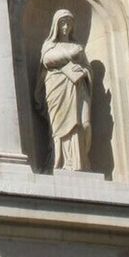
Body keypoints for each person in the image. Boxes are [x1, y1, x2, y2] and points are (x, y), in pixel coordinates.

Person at [37, 9, 92, 170]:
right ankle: (61, 162)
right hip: (57, 89)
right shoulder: (50, 45)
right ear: (56, 26)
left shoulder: (77, 46)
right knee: (60, 125)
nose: (66, 26)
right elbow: (47, 60)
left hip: (78, 89)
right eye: (62, 23)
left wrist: (85, 72)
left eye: (69, 23)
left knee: (83, 124)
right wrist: (70, 55)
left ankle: (79, 162)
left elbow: (88, 68)